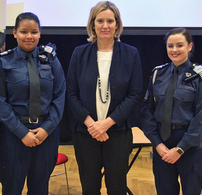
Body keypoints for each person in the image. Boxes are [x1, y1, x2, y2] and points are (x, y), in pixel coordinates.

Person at [66, 1, 142, 194]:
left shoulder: (131, 54)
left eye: (110, 20)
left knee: (117, 186)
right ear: (93, 24)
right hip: (85, 132)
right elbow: (71, 92)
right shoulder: (79, 53)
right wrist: (93, 125)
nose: (105, 25)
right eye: (100, 20)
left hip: (117, 132)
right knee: (89, 186)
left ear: (117, 24)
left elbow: (134, 95)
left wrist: (106, 124)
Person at [0, 12, 66, 194]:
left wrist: (47, 129)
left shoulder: (51, 60)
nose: (29, 36)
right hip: (14, 136)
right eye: (24, 31)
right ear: (15, 33)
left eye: (34, 32)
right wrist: (22, 133)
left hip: (45, 135)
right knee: (11, 187)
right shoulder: (3, 62)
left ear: (40, 33)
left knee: (40, 188)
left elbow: (60, 95)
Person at [140, 27, 202, 195]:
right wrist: (157, 143)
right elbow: (147, 111)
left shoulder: (201, 78)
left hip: (190, 146)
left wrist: (180, 149)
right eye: (170, 46)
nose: (174, 50)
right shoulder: (157, 74)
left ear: (190, 46)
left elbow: (201, 119)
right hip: (162, 145)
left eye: (179, 45)